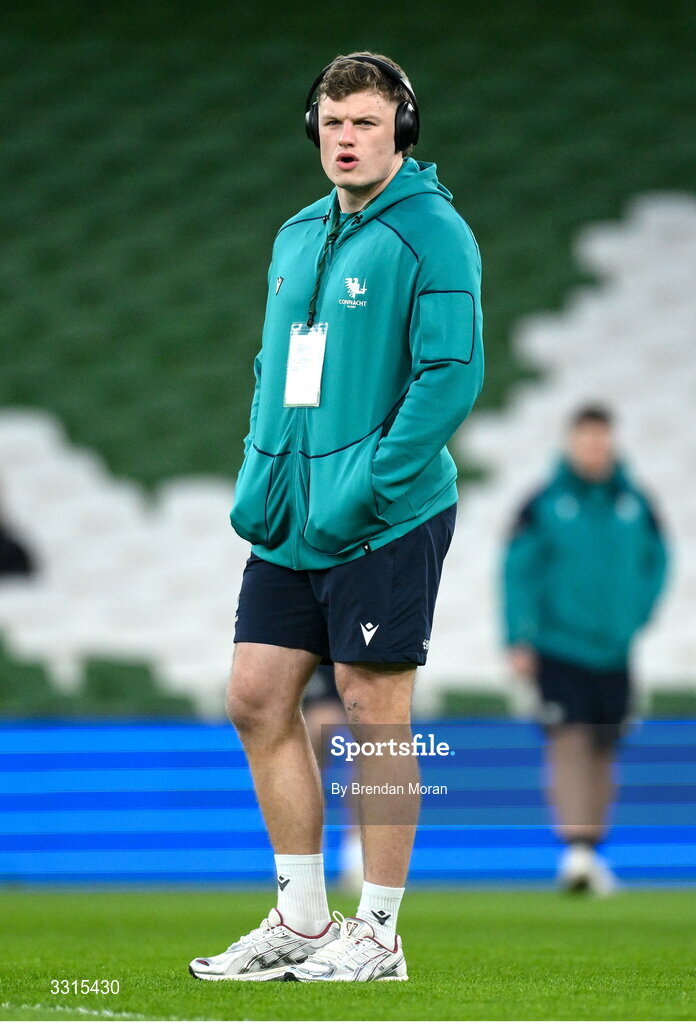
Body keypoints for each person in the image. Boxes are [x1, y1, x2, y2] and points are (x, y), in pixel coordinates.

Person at [189, 52, 484, 982]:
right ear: (310, 128)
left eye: (364, 122)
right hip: (289, 518)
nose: (344, 138)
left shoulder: (434, 233)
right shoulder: (295, 237)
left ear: (402, 128)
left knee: (371, 711)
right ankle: (304, 920)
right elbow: (271, 373)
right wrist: (258, 472)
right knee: (255, 698)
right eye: (331, 121)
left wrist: (369, 481)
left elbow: (451, 375)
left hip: (382, 515)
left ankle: (380, 934)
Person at [501, 404, 669, 894]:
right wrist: (518, 635)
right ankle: (573, 850)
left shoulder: (636, 503)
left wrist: (637, 613)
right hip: (557, 645)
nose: (595, 449)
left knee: (604, 747)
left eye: (602, 440)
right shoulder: (543, 504)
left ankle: (591, 852)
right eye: (586, 440)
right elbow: (517, 571)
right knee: (567, 739)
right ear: (571, 443)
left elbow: (658, 561)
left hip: (614, 650)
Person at [301, 664, 364, 891]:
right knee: (317, 730)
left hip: (367, 668)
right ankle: (303, 852)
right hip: (324, 672)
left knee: (369, 747)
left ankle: (357, 854)